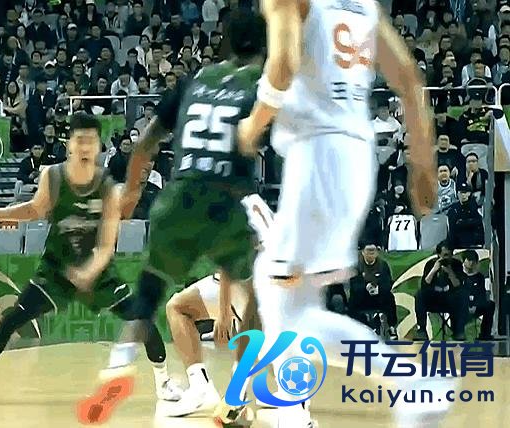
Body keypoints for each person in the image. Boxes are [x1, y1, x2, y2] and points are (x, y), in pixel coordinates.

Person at [232, 0, 446, 426]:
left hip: (317, 155)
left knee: (275, 291)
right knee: (295, 302)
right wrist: (423, 161)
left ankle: (405, 385)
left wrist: (252, 126)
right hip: (356, 155)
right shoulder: (364, 5)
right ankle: (398, 389)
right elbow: (408, 78)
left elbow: (283, 65)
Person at [76, 11, 265, 424]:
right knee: (252, 303)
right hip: (226, 200)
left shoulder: (194, 81)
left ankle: (120, 364)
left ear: (225, 43)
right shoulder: (261, 85)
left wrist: (131, 191)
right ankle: (238, 393)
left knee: (149, 295)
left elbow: (145, 142)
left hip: (175, 200)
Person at [0, 113, 182, 406]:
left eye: (91, 141)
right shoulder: (52, 176)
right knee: (11, 320)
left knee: (142, 319)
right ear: (69, 144)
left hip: (98, 273)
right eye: (79, 140)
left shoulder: (108, 186)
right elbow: (34, 210)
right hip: (56, 270)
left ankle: (164, 383)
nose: (85, 147)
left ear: (98, 147)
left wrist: (88, 272)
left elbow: (107, 244)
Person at [162, 194, 273, 420]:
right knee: (177, 307)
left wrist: (223, 315)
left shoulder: (225, 204)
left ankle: (277, 393)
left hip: (254, 289)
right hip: (262, 288)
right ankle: (201, 387)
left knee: (261, 347)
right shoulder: (254, 202)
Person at [414, 242, 468, 341]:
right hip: (434, 300)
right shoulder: (430, 264)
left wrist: (450, 272)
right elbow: (424, 285)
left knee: (462, 294)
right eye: (445, 255)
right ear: (439, 255)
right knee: (419, 294)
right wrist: (434, 270)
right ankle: (421, 330)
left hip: (450, 300)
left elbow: (458, 285)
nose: (448, 258)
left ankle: (459, 331)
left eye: (450, 254)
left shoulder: (456, 264)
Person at [347, 244, 398, 339]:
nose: (371, 254)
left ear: (377, 253)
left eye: (373, 251)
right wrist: (366, 288)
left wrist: (378, 289)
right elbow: (353, 285)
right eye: (368, 251)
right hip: (363, 297)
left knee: (390, 297)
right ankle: (360, 327)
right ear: (363, 252)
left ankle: (392, 327)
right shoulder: (356, 267)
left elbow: (388, 283)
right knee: (352, 300)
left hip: (379, 297)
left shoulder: (383, 265)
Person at [460, 250, 495, 340]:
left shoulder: (479, 277)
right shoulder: (459, 276)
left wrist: (475, 305)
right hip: (461, 307)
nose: (471, 263)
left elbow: (481, 294)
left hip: (476, 306)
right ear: (464, 261)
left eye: (474, 261)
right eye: (469, 260)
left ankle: (485, 334)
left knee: (490, 304)